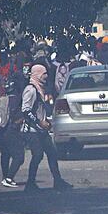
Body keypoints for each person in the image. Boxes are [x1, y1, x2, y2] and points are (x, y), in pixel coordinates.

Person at [21, 64, 71, 192]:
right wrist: (39, 122)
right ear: (37, 74)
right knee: (37, 155)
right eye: (43, 74)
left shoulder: (40, 89)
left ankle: (58, 181)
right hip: (32, 131)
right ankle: (30, 183)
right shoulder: (30, 89)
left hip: (41, 130)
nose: (46, 76)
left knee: (52, 154)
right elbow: (25, 110)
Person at [0, 72, 25, 187]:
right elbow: (19, 116)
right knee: (19, 156)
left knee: (5, 154)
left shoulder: (0, 100)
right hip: (10, 130)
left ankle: (5, 177)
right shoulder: (16, 100)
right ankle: (9, 177)